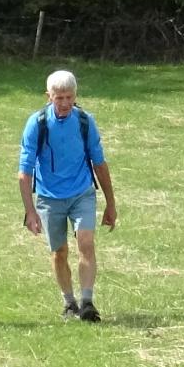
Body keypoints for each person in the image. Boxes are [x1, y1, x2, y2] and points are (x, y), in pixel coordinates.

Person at [17, 67, 118, 320]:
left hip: (82, 193)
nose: (64, 103)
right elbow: (25, 171)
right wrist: (30, 210)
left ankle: (87, 302)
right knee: (59, 252)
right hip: (49, 198)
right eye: (58, 97)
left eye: (69, 97)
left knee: (86, 242)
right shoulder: (36, 124)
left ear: (75, 95)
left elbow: (100, 164)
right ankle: (69, 302)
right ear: (48, 96)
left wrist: (110, 204)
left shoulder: (85, 121)